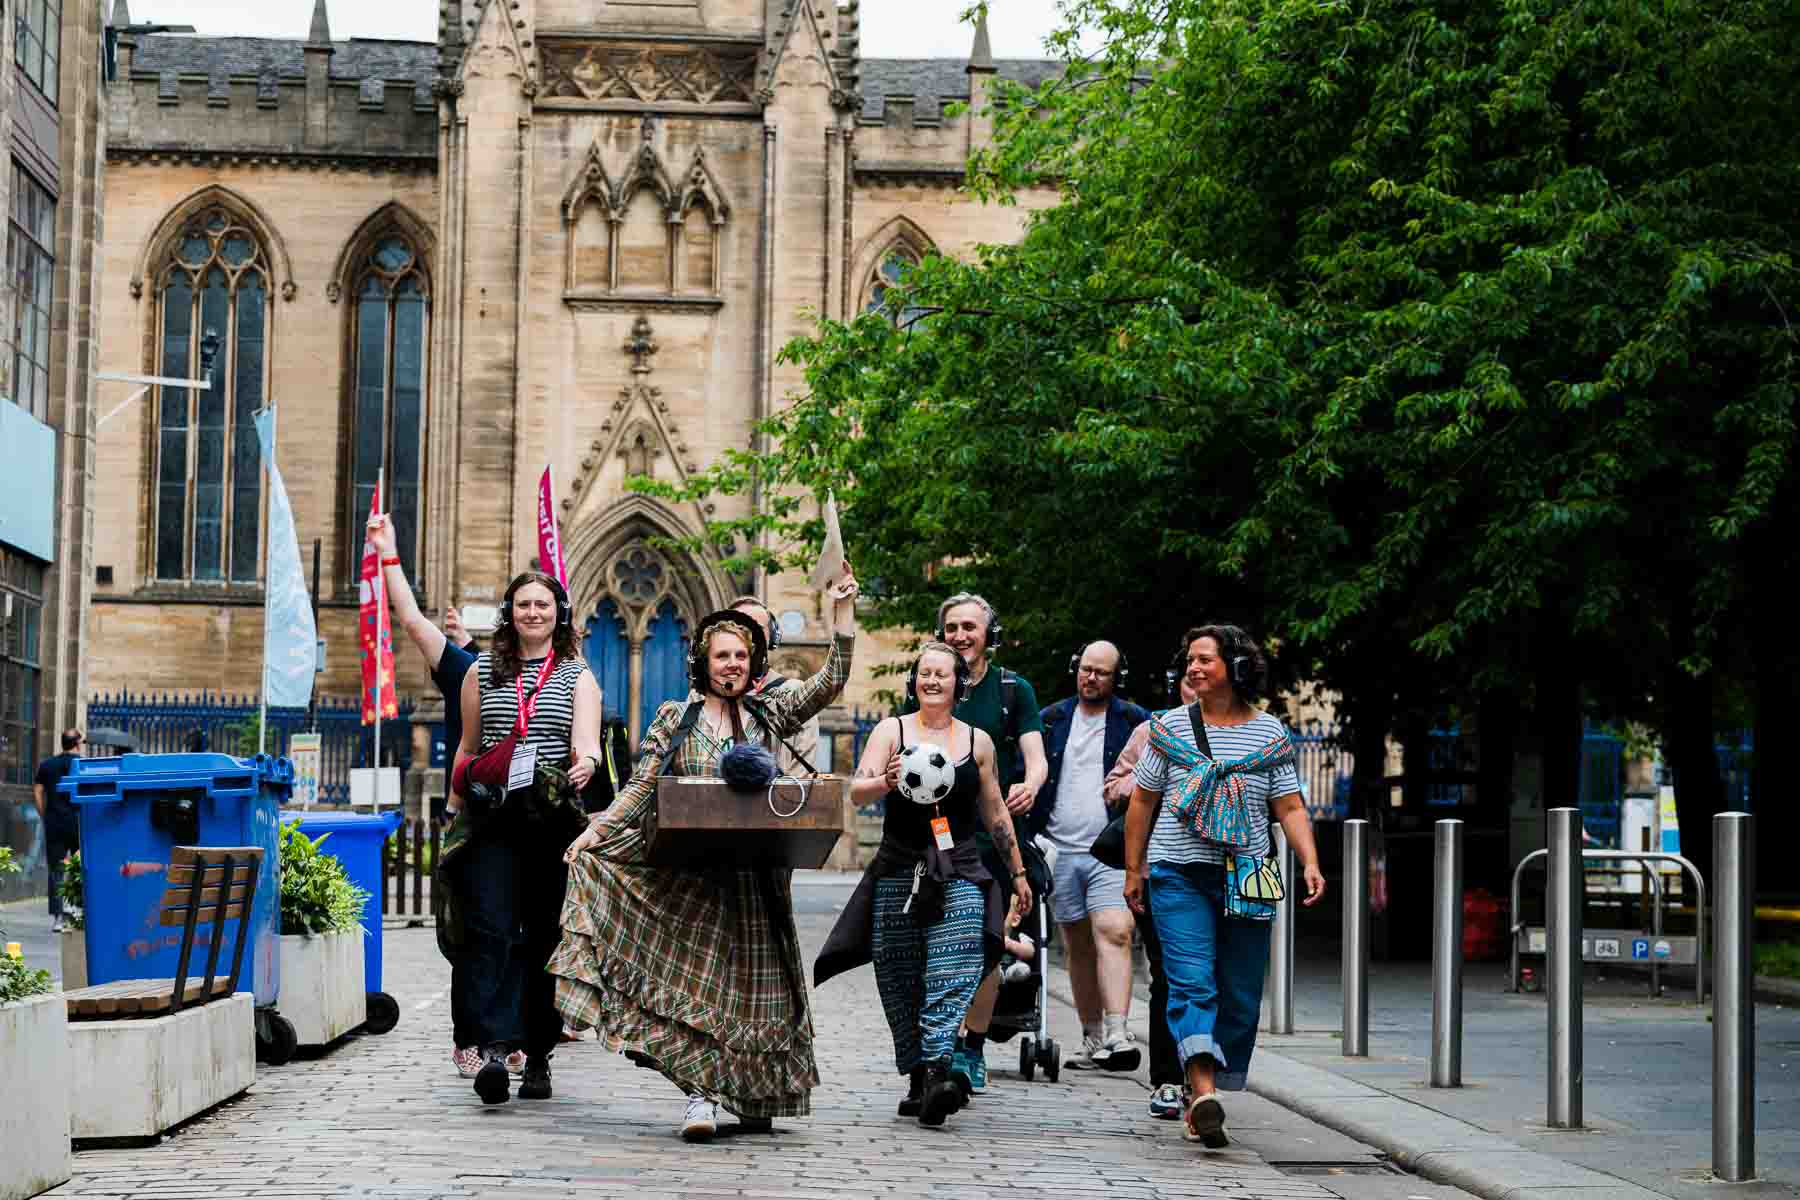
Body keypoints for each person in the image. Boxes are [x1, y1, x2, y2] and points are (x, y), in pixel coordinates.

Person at [552, 569, 861, 1142]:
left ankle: (749, 1089)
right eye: (722, 655)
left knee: (754, 990)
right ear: (702, 661)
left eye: (742, 654)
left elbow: (829, 682)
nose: (732, 664)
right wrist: (596, 834)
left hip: (757, 879)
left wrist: (841, 614)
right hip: (692, 879)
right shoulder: (677, 718)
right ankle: (700, 1097)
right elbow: (643, 788)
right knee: (703, 991)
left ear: (754, 660)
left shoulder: (771, 713)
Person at [1123, 625, 1325, 1148]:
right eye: (1189, 660)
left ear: (1235, 668)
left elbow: (1290, 806)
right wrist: (1133, 868)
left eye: (1205, 660)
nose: (1193, 668)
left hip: (1249, 872)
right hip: (1179, 873)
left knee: (1240, 992)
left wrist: (1309, 861)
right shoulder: (1167, 728)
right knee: (1192, 983)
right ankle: (1203, 1089)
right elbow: (1142, 801)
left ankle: (1204, 1083)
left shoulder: (1269, 736)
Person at [816, 642, 1034, 1127]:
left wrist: (1017, 872)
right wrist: (887, 781)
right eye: (923, 673)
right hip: (898, 867)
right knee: (900, 975)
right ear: (913, 682)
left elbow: (995, 811)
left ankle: (940, 1069)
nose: (932, 680)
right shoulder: (891, 730)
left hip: (957, 866)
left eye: (942, 673)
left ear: (960, 684)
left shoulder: (976, 742)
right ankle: (919, 1076)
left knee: (953, 964)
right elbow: (857, 788)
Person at [445, 570, 603, 1106]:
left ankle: (537, 1054)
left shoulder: (577, 674)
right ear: (508, 614)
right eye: (522, 605)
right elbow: (468, 747)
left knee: (542, 938)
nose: (532, 613)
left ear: (559, 612)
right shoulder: (481, 671)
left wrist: (587, 764)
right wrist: (453, 813)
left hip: (548, 822)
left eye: (542, 604)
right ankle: (492, 1050)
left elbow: (587, 744)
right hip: (493, 820)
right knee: (489, 930)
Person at [366, 512, 499, 1080]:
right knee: (468, 933)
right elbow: (413, 621)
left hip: (525, 823)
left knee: (517, 930)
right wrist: (389, 555)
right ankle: (470, 1035)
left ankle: (513, 1036)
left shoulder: (560, 679)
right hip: (472, 820)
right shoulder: (468, 671)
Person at [926, 592, 1047, 1092]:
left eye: (969, 627)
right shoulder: (927, 684)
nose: (960, 635)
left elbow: (1035, 756)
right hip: (937, 834)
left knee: (986, 946)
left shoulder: (1012, 690)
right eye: (951, 627)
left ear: (988, 635)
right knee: (937, 944)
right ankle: (937, 1042)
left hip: (995, 839)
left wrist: (1031, 784)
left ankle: (969, 1048)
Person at [1032, 640, 1148, 1072]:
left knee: (1115, 929)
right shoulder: (1052, 720)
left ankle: (1119, 1032)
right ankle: (1092, 1035)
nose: (1091, 677)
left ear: (1116, 678)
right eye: (1085, 669)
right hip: (1059, 849)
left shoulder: (1135, 721)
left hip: (1109, 850)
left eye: (1101, 672)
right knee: (1076, 945)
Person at [1104, 668, 1198, 1119]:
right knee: (1167, 972)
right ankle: (1167, 1079)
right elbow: (1114, 788)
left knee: (1210, 975)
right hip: (1159, 868)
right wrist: (1147, 780)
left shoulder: (1248, 730)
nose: (1194, 683)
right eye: (1187, 675)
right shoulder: (1152, 731)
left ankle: (1202, 1076)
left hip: (1221, 868)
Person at [728, 595, 820, 774]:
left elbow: (800, 779)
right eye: (738, 626)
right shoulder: (702, 698)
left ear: (773, 638)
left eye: (757, 627)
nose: (748, 634)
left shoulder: (793, 693)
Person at [33, 729, 83, 932]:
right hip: (77, 821)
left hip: (54, 821)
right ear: (77, 744)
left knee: (56, 869)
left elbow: (37, 790)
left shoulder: (47, 765)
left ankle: (58, 917)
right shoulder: (81, 765)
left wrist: (43, 813)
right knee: (80, 866)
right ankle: (80, 910)